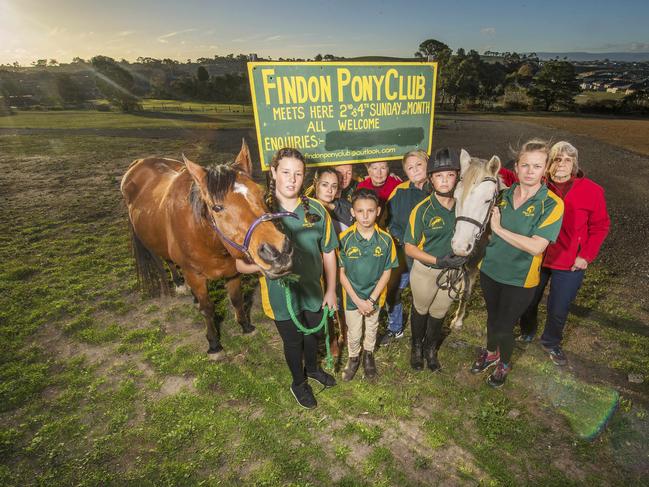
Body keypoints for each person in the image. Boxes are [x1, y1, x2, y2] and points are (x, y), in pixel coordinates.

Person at [235, 148, 338, 409]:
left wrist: (331, 291)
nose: (291, 180)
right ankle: (298, 383)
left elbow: (328, 253)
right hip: (281, 296)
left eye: (298, 174)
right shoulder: (259, 215)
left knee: (313, 334)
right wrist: (265, 266)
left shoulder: (317, 210)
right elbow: (238, 263)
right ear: (273, 173)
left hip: (314, 290)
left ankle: (313, 370)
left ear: (304, 177)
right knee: (293, 341)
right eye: (285, 173)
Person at [471, 139, 564, 387]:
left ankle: (504, 363)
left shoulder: (552, 204)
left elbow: (536, 246)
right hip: (490, 270)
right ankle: (491, 353)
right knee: (492, 318)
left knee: (504, 325)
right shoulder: (503, 195)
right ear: (517, 167)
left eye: (536, 166)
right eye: (525, 165)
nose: (530, 171)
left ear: (546, 169)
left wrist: (499, 229)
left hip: (520, 278)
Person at [519, 141, 610, 365]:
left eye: (567, 160)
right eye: (557, 159)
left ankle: (551, 342)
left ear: (574, 164)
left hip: (570, 261)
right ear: (548, 163)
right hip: (538, 255)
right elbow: (509, 176)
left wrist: (585, 256)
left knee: (558, 307)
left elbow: (600, 226)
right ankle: (527, 329)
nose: (561, 164)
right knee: (527, 300)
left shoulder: (592, 190)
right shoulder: (537, 185)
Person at [404, 148, 465, 371]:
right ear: (431, 178)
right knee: (421, 309)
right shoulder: (422, 210)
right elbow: (409, 248)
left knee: (439, 312)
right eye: (439, 175)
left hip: (453, 272)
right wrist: (438, 260)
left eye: (450, 175)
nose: (445, 180)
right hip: (427, 270)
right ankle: (416, 347)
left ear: (457, 176)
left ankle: (430, 348)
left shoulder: (463, 207)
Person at [338, 189, 398, 380]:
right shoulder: (344, 239)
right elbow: (341, 273)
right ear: (353, 212)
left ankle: (368, 355)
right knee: (354, 332)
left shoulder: (386, 240)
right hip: (352, 298)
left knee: (372, 327)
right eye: (360, 211)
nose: (365, 216)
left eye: (370, 211)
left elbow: (387, 271)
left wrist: (371, 299)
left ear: (378, 211)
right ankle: (354, 357)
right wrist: (357, 300)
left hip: (374, 297)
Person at [380, 150, 432, 345]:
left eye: (419, 165)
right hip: (403, 252)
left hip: (428, 255)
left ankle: (423, 331)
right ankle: (395, 328)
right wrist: (403, 239)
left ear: (427, 164)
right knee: (393, 290)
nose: (415, 170)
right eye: (410, 168)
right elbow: (390, 221)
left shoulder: (439, 189)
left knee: (424, 297)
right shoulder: (400, 191)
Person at [312, 167, 353, 233]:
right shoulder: (308, 209)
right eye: (325, 185)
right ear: (315, 184)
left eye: (334, 186)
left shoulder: (346, 205)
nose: (330, 190)